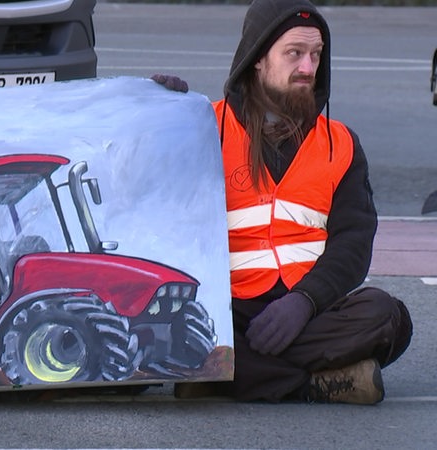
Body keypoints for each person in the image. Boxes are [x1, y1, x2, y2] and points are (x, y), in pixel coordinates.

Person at [153, 0, 412, 404]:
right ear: (257, 58)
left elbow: (354, 243)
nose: (308, 68)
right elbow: (146, 196)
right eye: (294, 54)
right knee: (176, 330)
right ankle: (316, 383)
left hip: (310, 310)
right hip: (226, 310)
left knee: (386, 316)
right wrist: (153, 116)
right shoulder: (202, 128)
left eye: (316, 55)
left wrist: (304, 302)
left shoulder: (340, 142)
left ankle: (221, 376)